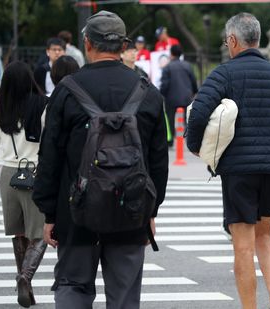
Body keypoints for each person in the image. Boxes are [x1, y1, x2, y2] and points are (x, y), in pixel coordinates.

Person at [32, 11, 169, 308]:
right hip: (131, 211)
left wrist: (49, 214)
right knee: (124, 296)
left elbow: (49, 157)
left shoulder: (66, 92)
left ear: (87, 44)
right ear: (123, 45)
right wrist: (151, 210)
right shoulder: (148, 93)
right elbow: (158, 161)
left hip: (76, 211)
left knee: (72, 288)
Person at [186, 12, 270, 309]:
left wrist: (195, 146)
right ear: (258, 39)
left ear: (232, 40)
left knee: (242, 245)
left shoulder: (224, 73)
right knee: (264, 236)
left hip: (239, 170)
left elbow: (199, 112)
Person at [0, 61, 48, 308]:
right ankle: (25, 277)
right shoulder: (43, 106)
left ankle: (25, 284)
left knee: (19, 232)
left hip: (9, 175)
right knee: (40, 233)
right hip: (36, 173)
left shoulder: (3, 111)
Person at [160, 44, 197, 144]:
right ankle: (189, 139)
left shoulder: (167, 67)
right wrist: (194, 92)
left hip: (171, 98)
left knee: (170, 120)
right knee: (187, 119)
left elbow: (164, 84)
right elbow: (193, 80)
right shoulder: (187, 65)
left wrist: (162, 94)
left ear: (171, 54)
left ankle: (170, 139)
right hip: (186, 97)